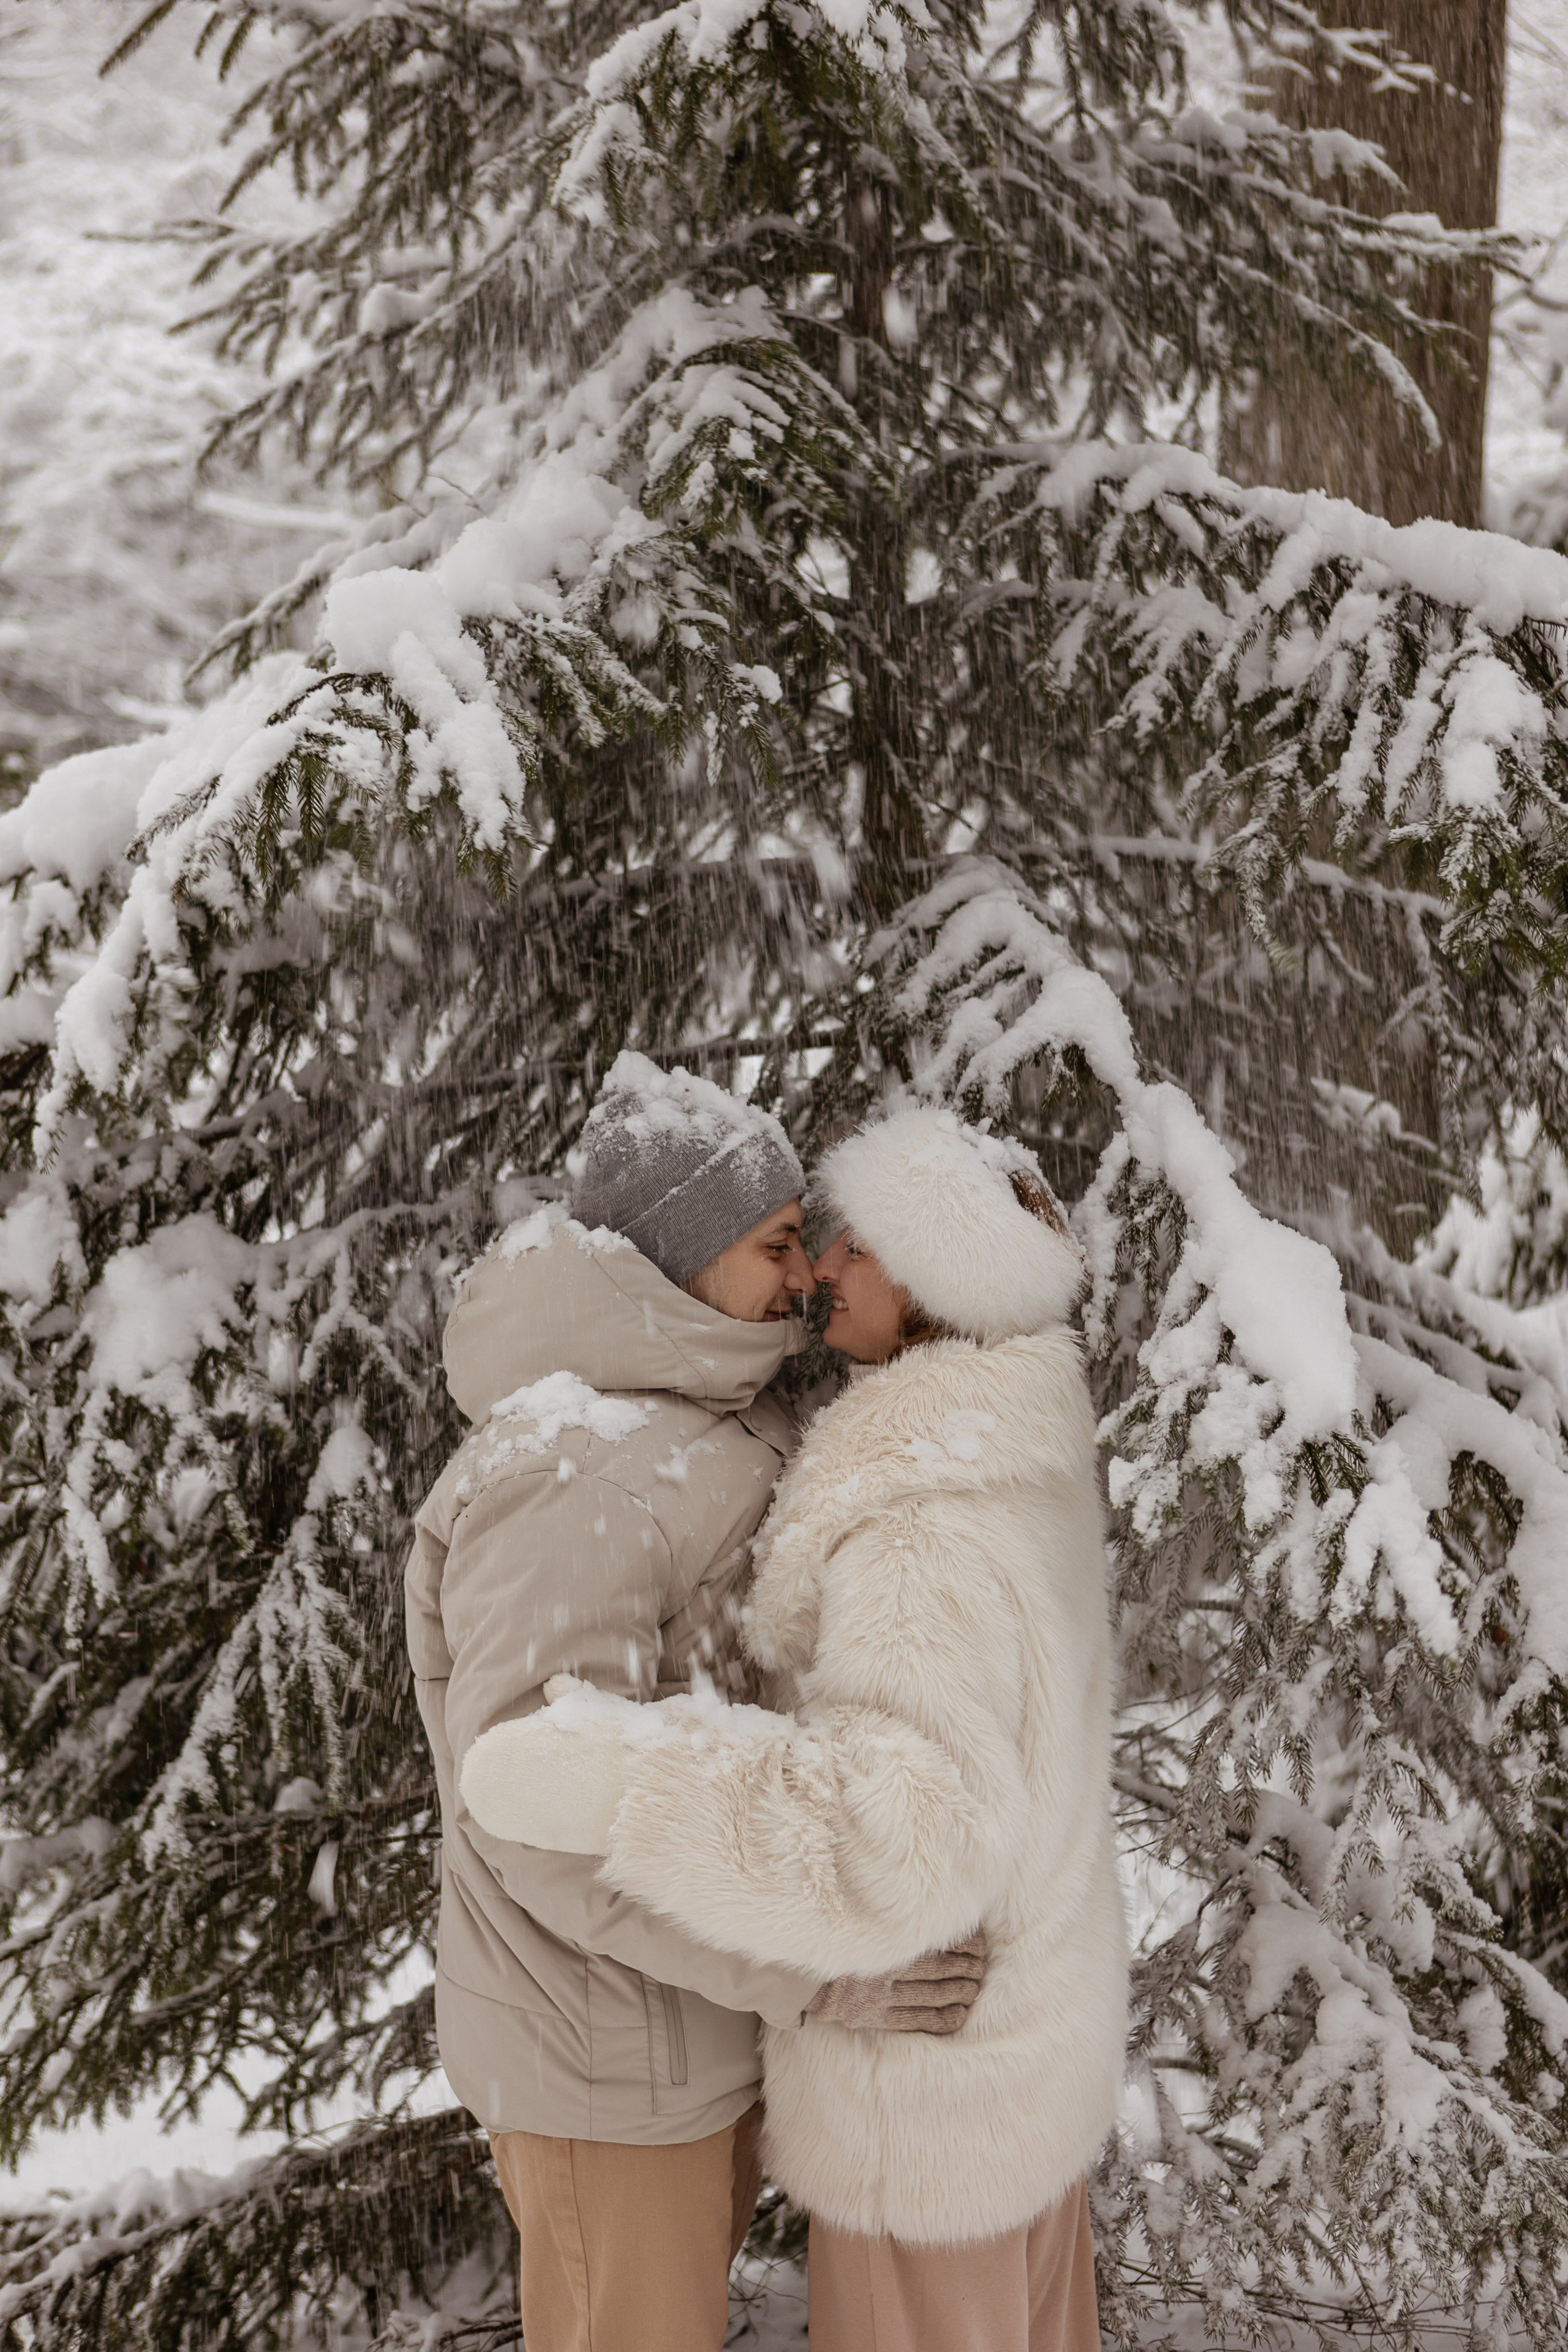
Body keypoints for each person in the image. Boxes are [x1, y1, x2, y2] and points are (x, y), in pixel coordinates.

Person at [462, 1104, 1130, 2352]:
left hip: (929, 2106)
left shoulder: (922, 1513)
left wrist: (619, 1780)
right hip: (1004, 2073)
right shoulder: (997, 1452)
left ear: (934, 1284)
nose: (823, 1269)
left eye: (855, 1247)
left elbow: (894, 1834)